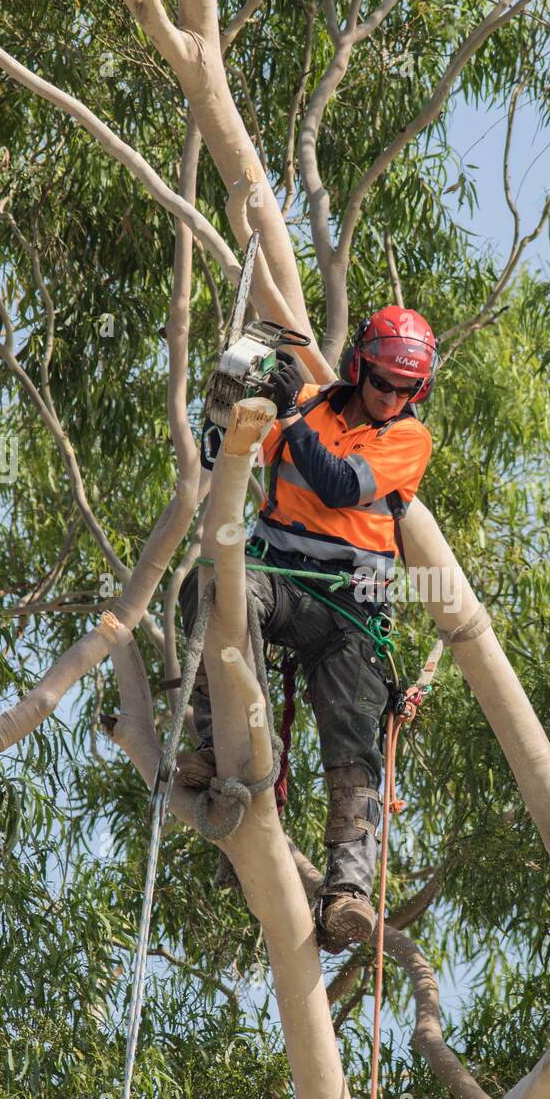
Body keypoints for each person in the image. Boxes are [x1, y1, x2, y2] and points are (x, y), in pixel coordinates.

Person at [177, 307, 437, 953]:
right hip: (279, 578)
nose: (390, 397)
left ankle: (346, 892)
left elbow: (343, 485)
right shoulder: (312, 406)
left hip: (349, 609)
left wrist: (290, 415)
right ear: (361, 368)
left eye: (405, 390)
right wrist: (231, 401)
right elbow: (223, 451)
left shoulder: (408, 440)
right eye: (382, 382)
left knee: (353, 740)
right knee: (206, 592)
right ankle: (221, 745)